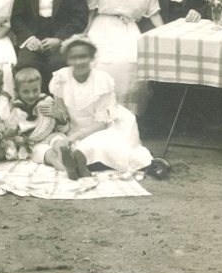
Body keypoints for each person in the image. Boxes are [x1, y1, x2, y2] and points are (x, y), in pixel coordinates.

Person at [48, 37, 157, 175]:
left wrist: (76, 136)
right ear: (67, 60)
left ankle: (82, 159)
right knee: (65, 144)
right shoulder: (60, 78)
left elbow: (102, 123)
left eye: (83, 57)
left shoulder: (101, 80)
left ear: (92, 58)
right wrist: (60, 118)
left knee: (103, 144)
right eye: (73, 58)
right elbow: (63, 113)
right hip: (75, 128)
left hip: (108, 125)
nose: (78, 62)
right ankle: (80, 161)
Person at [84, 0, 163, 114]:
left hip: (129, 30)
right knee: (101, 63)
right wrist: (84, 34)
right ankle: (99, 114)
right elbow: (91, 11)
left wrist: (167, 34)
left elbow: (153, 13)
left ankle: (126, 117)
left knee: (131, 63)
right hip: (102, 28)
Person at [12, 67, 70, 173]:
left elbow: (63, 127)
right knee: (51, 155)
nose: (31, 95)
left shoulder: (46, 101)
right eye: (25, 91)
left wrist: (58, 115)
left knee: (59, 145)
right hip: (32, 144)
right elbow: (13, 132)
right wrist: (19, 140)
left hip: (52, 135)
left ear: (40, 87)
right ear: (17, 91)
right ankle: (67, 170)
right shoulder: (15, 109)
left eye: (35, 90)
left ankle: (70, 162)